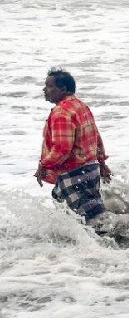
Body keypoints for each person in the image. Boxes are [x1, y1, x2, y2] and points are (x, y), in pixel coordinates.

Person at [36, 68, 111, 222]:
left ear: (63, 89)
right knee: (91, 213)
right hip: (91, 169)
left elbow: (62, 149)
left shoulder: (61, 113)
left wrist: (43, 165)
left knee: (89, 221)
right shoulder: (80, 106)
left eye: (49, 86)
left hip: (74, 174)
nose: (44, 90)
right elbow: (96, 137)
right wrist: (101, 162)